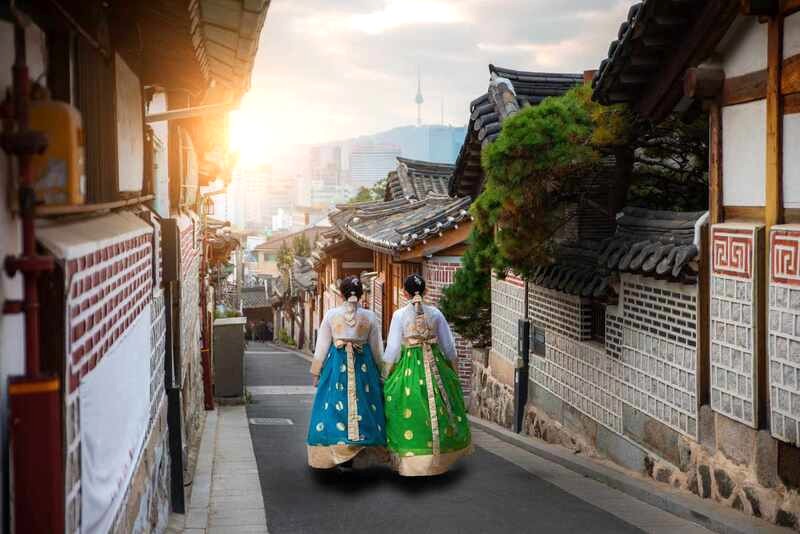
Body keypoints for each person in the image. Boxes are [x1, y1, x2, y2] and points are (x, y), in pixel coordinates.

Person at [382, 273, 472, 476]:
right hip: (435, 365)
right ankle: (438, 459)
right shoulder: (436, 314)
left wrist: (386, 375)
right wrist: (453, 370)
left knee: (407, 406)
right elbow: (449, 345)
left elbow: (393, 348)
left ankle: (411, 462)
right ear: (426, 291)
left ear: (404, 293)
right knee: (440, 407)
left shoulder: (399, 315)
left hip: (409, 367)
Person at [306, 276, 387, 469]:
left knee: (333, 405)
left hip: (336, 366)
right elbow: (377, 349)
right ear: (361, 295)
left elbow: (322, 346)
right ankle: (358, 445)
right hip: (364, 368)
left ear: (341, 294)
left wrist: (316, 372)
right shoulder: (370, 316)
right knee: (365, 405)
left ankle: (338, 449)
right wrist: (383, 372)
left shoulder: (331, 315)